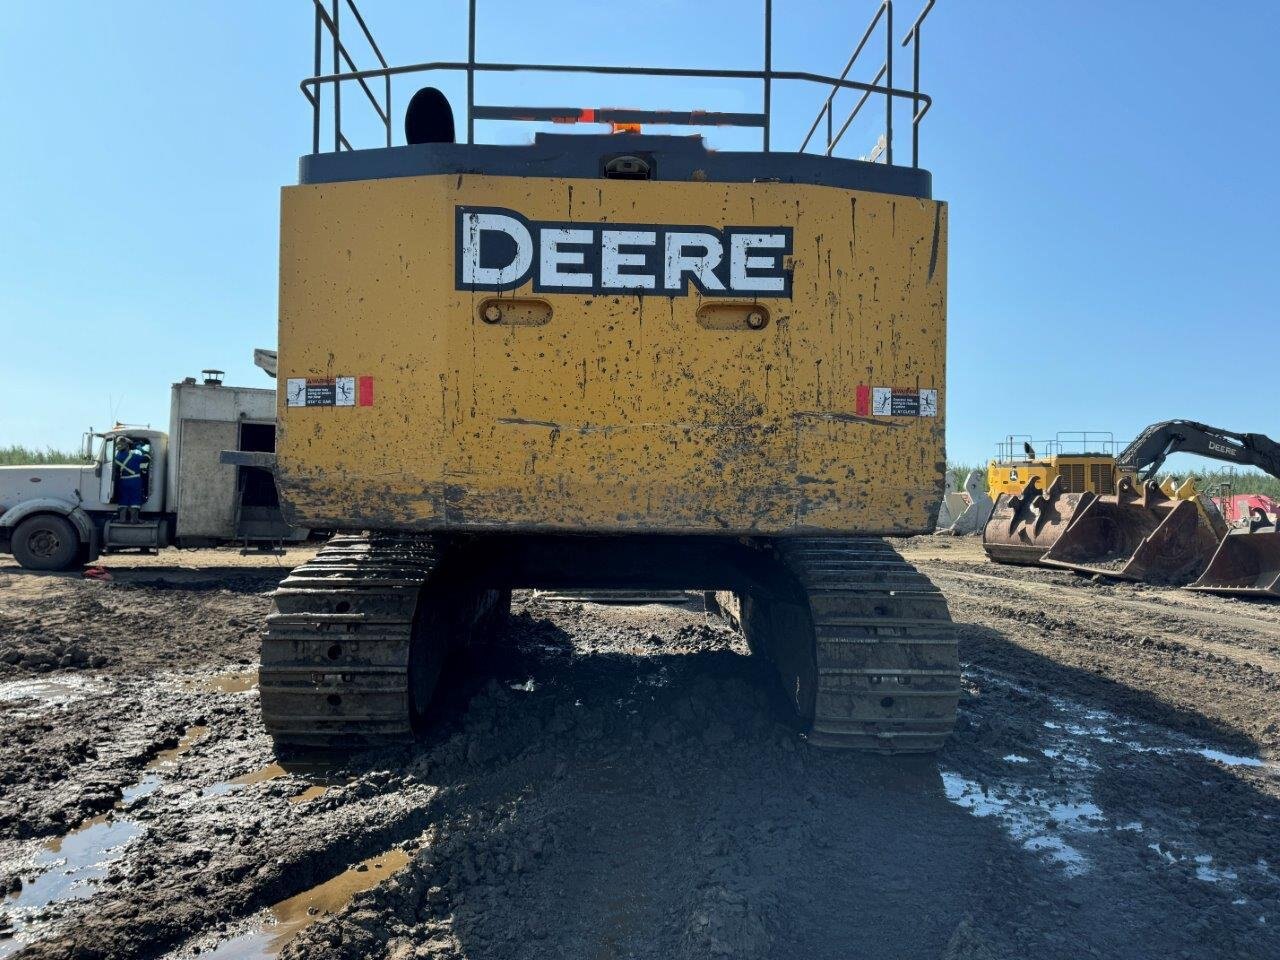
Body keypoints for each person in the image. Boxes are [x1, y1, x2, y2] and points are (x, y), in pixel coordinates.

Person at [113, 438, 149, 523]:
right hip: (135, 481)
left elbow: (116, 471)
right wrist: (141, 449)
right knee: (135, 499)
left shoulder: (116, 459)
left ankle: (122, 519)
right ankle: (134, 519)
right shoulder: (135, 456)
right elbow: (147, 458)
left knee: (123, 499)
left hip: (123, 481)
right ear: (128, 446)